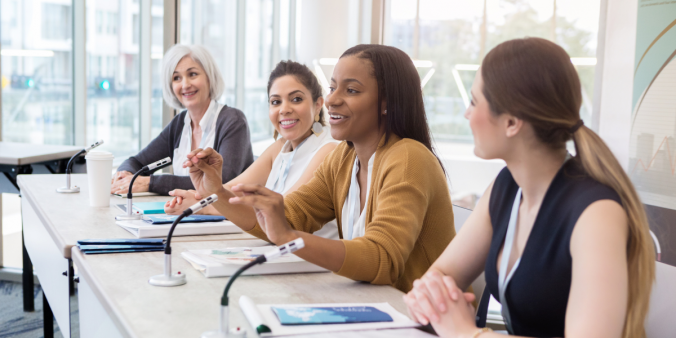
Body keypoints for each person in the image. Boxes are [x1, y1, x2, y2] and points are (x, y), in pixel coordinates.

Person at [403, 38, 655, 338]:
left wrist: (467, 333)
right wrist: (432, 299)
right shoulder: (506, 186)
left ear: (511, 122)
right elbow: (440, 278)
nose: (466, 115)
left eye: (473, 101)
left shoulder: (596, 212)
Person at [181, 44, 456, 293]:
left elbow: (382, 259)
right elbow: (286, 218)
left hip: (420, 321)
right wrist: (217, 189)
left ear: (386, 102)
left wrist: (290, 238)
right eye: (333, 87)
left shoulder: (408, 159)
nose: (333, 99)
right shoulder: (344, 159)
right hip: (374, 306)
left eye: (351, 90)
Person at [164, 60, 340, 239]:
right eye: (276, 101)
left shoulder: (328, 150)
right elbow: (233, 190)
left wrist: (203, 206)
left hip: (311, 261)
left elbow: (282, 215)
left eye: (296, 99)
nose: (284, 109)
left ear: (318, 104)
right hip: (281, 253)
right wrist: (198, 197)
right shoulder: (280, 147)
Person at [111, 44, 253, 195]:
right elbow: (136, 162)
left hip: (227, 217)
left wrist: (150, 182)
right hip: (188, 213)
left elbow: (222, 181)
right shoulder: (180, 124)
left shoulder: (233, 121)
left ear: (209, 78)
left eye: (192, 74)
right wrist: (124, 175)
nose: (185, 85)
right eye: (176, 78)